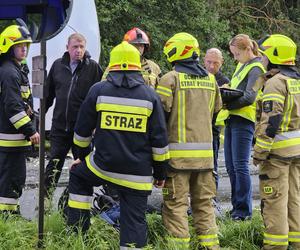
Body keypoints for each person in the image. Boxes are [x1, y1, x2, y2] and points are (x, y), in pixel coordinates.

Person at [67, 41, 169, 249]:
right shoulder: (151, 97)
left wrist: (81, 155)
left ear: (111, 65)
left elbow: (81, 132)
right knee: (134, 222)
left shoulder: (99, 91)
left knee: (78, 175)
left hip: (102, 167)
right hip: (138, 175)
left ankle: (77, 235)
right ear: (137, 66)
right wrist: (160, 174)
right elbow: (159, 142)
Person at [157, 32, 222, 249]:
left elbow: (159, 117)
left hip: (177, 160)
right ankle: (210, 246)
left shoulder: (170, 79)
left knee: (175, 206)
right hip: (205, 159)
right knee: (204, 205)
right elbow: (216, 112)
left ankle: (178, 247)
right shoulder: (211, 80)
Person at [254, 34, 300, 250]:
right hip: (296, 152)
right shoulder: (296, 80)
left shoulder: (275, 83)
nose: (261, 59)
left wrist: (259, 152)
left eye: (263, 54)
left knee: (274, 203)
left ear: (273, 56)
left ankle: (275, 246)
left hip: (278, 155)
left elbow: (271, 121)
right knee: (294, 200)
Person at [44, 33, 103, 197]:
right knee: (54, 163)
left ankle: (74, 201)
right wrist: (40, 116)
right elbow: (48, 95)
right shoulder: (58, 66)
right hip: (60, 126)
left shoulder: (93, 68)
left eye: (82, 47)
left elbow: (101, 98)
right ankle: (45, 200)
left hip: (82, 130)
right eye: (75, 47)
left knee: (82, 166)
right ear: (67, 48)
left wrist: (96, 125)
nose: (79, 50)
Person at [224, 34, 265, 221]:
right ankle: (236, 208)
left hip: (244, 121)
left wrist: (227, 104)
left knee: (240, 166)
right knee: (232, 167)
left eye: (237, 54)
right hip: (232, 119)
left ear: (248, 49)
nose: (235, 58)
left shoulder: (257, 68)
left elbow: (250, 97)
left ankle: (244, 211)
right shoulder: (243, 65)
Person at [0, 24, 40, 214]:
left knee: (13, 178)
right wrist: (30, 130)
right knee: (11, 179)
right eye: (19, 45)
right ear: (8, 47)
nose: (24, 48)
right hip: (9, 140)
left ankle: (10, 213)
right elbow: (13, 107)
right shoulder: (9, 72)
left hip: (12, 140)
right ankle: (7, 217)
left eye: (26, 45)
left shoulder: (15, 69)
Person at [204, 48, 230, 189]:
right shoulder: (198, 76)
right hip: (197, 129)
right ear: (204, 60)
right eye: (209, 62)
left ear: (222, 63)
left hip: (213, 130)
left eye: (216, 63)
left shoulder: (224, 81)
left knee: (212, 165)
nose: (212, 66)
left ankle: (213, 197)